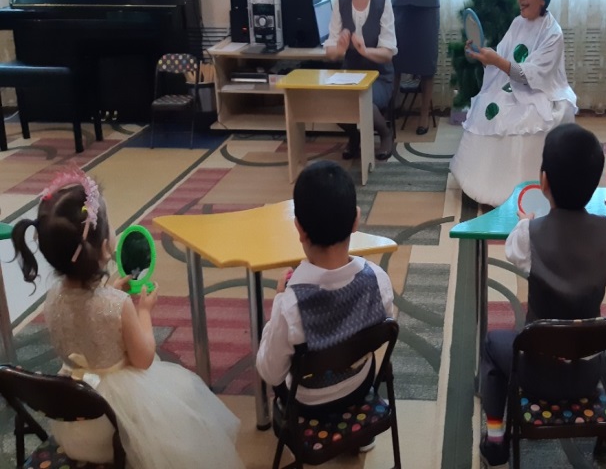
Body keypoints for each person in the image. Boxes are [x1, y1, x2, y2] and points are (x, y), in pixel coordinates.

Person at [10, 167, 244, 468]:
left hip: (72, 422)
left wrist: (107, 293)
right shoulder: (117, 305)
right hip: (114, 429)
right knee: (185, 402)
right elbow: (143, 358)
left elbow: (84, 317)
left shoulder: (52, 298)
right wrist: (143, 311)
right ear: (104, 247)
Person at [478, 124, 606, 468]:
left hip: (536, 373)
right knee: (600, 334)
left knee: (492, 344)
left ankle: (496, 439)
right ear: (594, 183)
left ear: (543, 181)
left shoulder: (529, 234)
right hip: (587, 373)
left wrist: (526, 222)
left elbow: (514, 251)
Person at [256, 161, 395, 432]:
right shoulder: (379, 280)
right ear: (356, 220)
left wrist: (279, 300)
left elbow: (270, 372)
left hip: (308, 402)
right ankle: (361, 434)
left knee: (278, 353)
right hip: (360, 386)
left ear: (299, 229)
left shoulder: (290, 305)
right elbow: (382, 327)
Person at [450, 0, 577, 207]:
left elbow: (533, 75)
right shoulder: (518, 23)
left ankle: (513, 187)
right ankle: (481, 181)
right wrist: (481, 55)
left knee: (522, 115)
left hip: (543, 93)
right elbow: (502, 57)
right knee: (489, 105)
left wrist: (496, 60)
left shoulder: (553, 33)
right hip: (511, 85)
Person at [325, 0, 397, 161]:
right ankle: (354, 136)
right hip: (349, 76)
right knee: (329, 102)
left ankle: (385, 134)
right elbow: (331, 52)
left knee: (362, 99)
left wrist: (365, 51)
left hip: (379, 77)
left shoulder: (383, 2)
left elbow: (388, 52)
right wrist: (339, 49)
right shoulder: (340, 1)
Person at [375, 0, 448, 135]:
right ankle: (390, 109)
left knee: (427, 61)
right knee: (396, 58)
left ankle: (424, 114)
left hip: (427, 1)